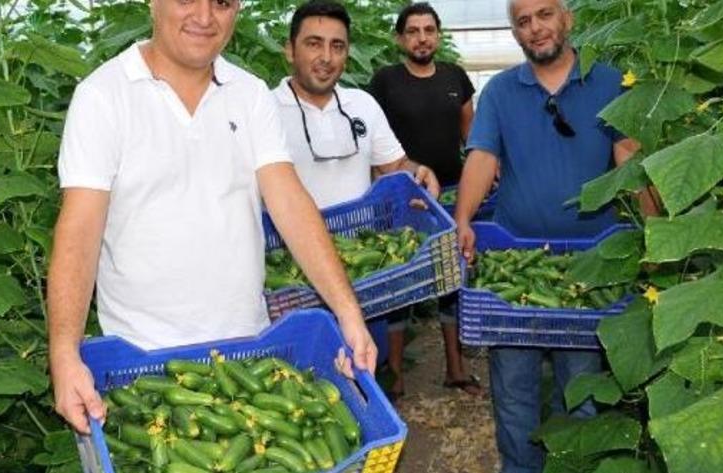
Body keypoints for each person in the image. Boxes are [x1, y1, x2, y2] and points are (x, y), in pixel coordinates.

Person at [48, 0, 377, 435]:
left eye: (221, 3)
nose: (204, 17)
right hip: (144, 369)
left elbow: (291, 204)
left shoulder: (250, 93)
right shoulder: (104, 95)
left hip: (251, 354)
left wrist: (348, 311)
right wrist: (64, 353)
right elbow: (79, 232)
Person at [454, 1, 658, 473]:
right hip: (515, 259)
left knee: (581, 379)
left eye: (544, 14)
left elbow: (630, 160)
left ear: (566, 17)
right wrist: (463, 219)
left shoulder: (610, 83)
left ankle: (575, 468)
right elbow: (482, 156)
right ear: (516, 33)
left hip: (592, 262)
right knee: (513, 383)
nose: (535, 28)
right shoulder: (503, 91)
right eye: (522, 22)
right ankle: (520, 471)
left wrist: (655, 232)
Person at [369, 2, 479, 399]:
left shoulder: (455, 77)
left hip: (451, 193)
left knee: (451, 279)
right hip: (404, 198)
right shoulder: (385, 81)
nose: (421, 38)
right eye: (412, 31)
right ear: (400, 38)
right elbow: (375, 142)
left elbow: (472, 135)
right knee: (401, 282)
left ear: (438, 34)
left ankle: (455, 368)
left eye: (428, 30)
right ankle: (395, 377)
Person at [273, 0, 439, 210]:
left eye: (337, 46)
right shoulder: (266, 110)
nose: (326, 57)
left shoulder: (363, 104)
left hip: (361, 240)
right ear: (290, 50)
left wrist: (418, 173)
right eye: (314, 44)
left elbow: (395, 165)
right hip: (289, 243)